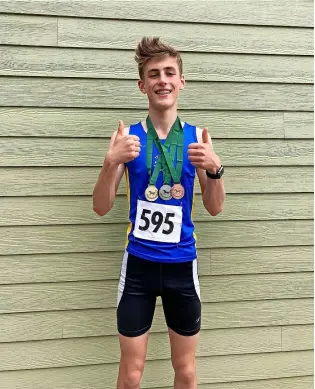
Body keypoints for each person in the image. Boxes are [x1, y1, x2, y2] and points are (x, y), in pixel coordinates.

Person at [93, 36, 225, 389]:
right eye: (154, 74)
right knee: (131, 373)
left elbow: (214, 207)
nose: (162, 80)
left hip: (183, 265)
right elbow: (101, 207)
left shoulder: (197, 138)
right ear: (142, 85)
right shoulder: (129, 138)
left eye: (169, 72)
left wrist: (215, 169)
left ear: (181, 81)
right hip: (138, 266)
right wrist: (110, 162)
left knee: (185, 370)